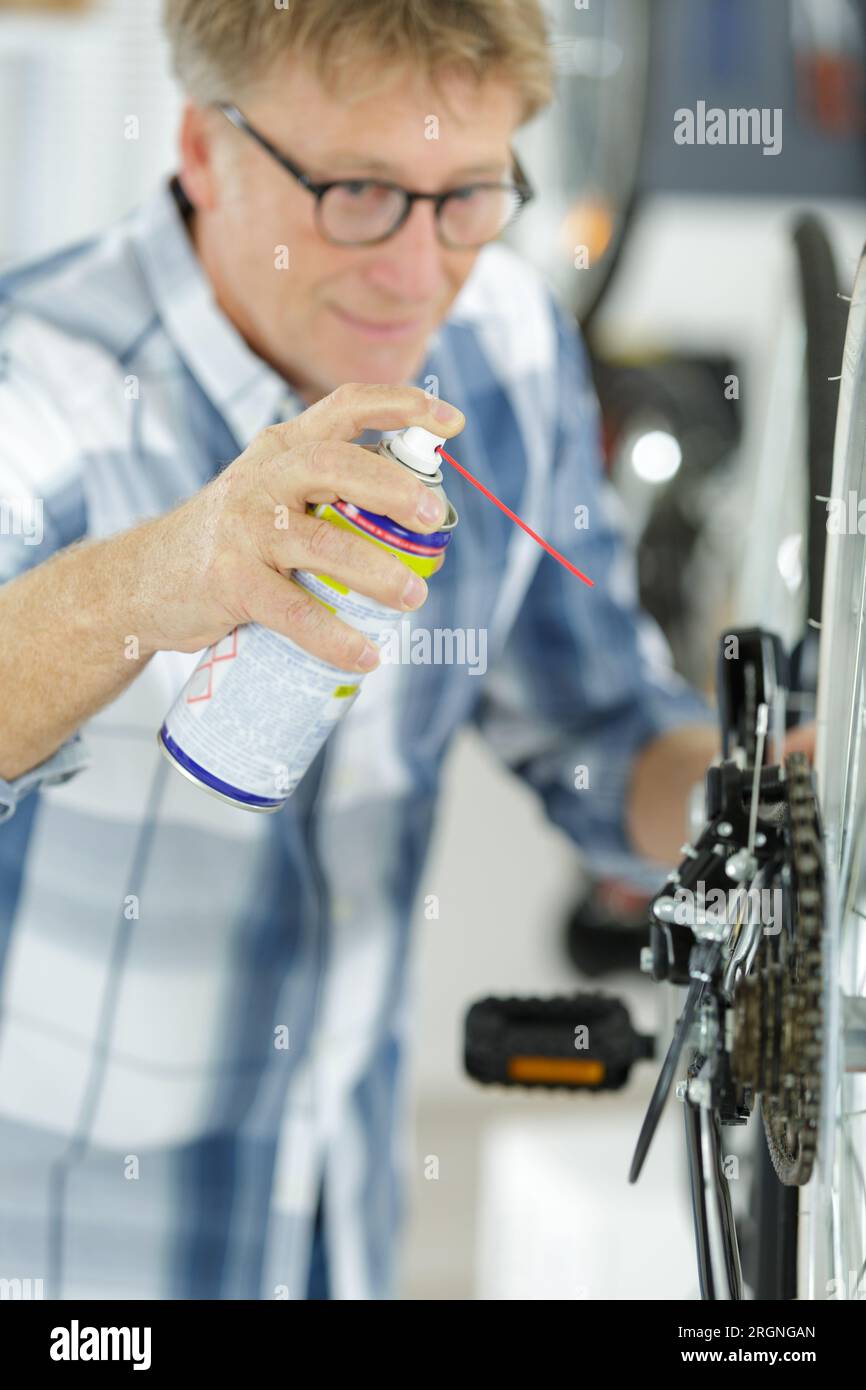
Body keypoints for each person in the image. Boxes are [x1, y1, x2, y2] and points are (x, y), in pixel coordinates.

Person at [0, 0, 718, 1300]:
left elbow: (599, 725)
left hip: (334, 1231)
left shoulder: (500, 352)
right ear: (203, 151)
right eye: (359, 192)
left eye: (467, 195)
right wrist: (154, 577)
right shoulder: (36, 384)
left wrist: (753, 800)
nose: (416, 270)